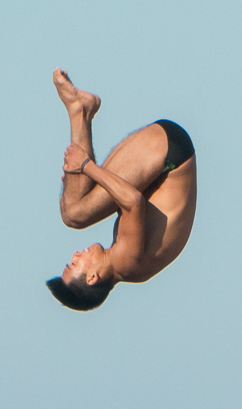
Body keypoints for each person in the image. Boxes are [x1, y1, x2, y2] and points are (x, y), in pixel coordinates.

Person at [47, 68, 197, 311]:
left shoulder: (126, 265)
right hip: (170, 156)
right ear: (92, 277)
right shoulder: (127, 263)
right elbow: (132, 201)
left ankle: (80, 110)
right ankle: (79, 110)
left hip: (168, 158)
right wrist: (85, 166)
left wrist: (81, 176)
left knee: (75, 206)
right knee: (74, 213)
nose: (75, 254)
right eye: (74, 264)